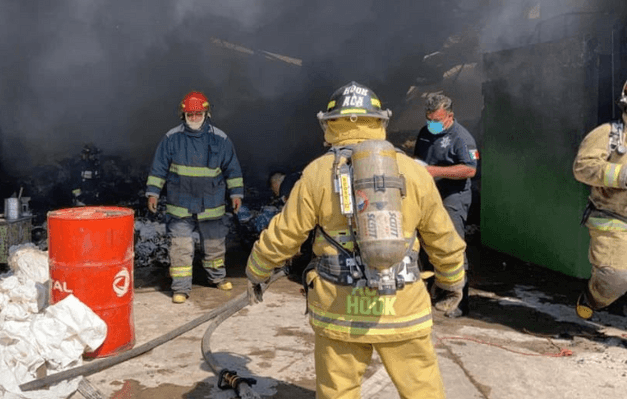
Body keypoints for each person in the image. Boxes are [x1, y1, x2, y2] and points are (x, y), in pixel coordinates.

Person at [245, 82, 466, 399]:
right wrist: (451, 282)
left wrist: (257, 270)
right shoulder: (414, 173)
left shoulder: (318, 173)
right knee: (422, 391)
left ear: (330, 124)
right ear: (379, 121)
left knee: (339, 392)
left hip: (339, 310)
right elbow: (444, 239)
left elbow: (286, 234)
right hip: (402, 308)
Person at [146, 91, 244, 304]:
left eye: (198, 114)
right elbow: (159, 168)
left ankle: (216, 278)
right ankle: (180, 288)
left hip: (212, 203)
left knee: (215, 244)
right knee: (180, 246)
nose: (194, 118)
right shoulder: (171, 139)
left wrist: (236, 194)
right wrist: (153, 192)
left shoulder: (220, 139)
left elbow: (232, 169)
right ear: (183, 115)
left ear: (206, 113)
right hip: (180, 203)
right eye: (190, 115)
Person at [413, 93, 478, 317]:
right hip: (429, 196)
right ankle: (433, 294)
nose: (432, 123)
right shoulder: (425, 133)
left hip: (453, 197)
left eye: (437, 119)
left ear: (449, 116)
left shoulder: (462, 137)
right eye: (428, 118)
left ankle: (460, 301)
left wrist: (434, 171)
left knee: (452, 246)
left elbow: (470, 169)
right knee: (425, 244)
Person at [574, 80, 627, 319]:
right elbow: (582, 168)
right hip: (613, 219)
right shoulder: (608, 134)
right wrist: (622, 175)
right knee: (615, 278)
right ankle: (592, 297)